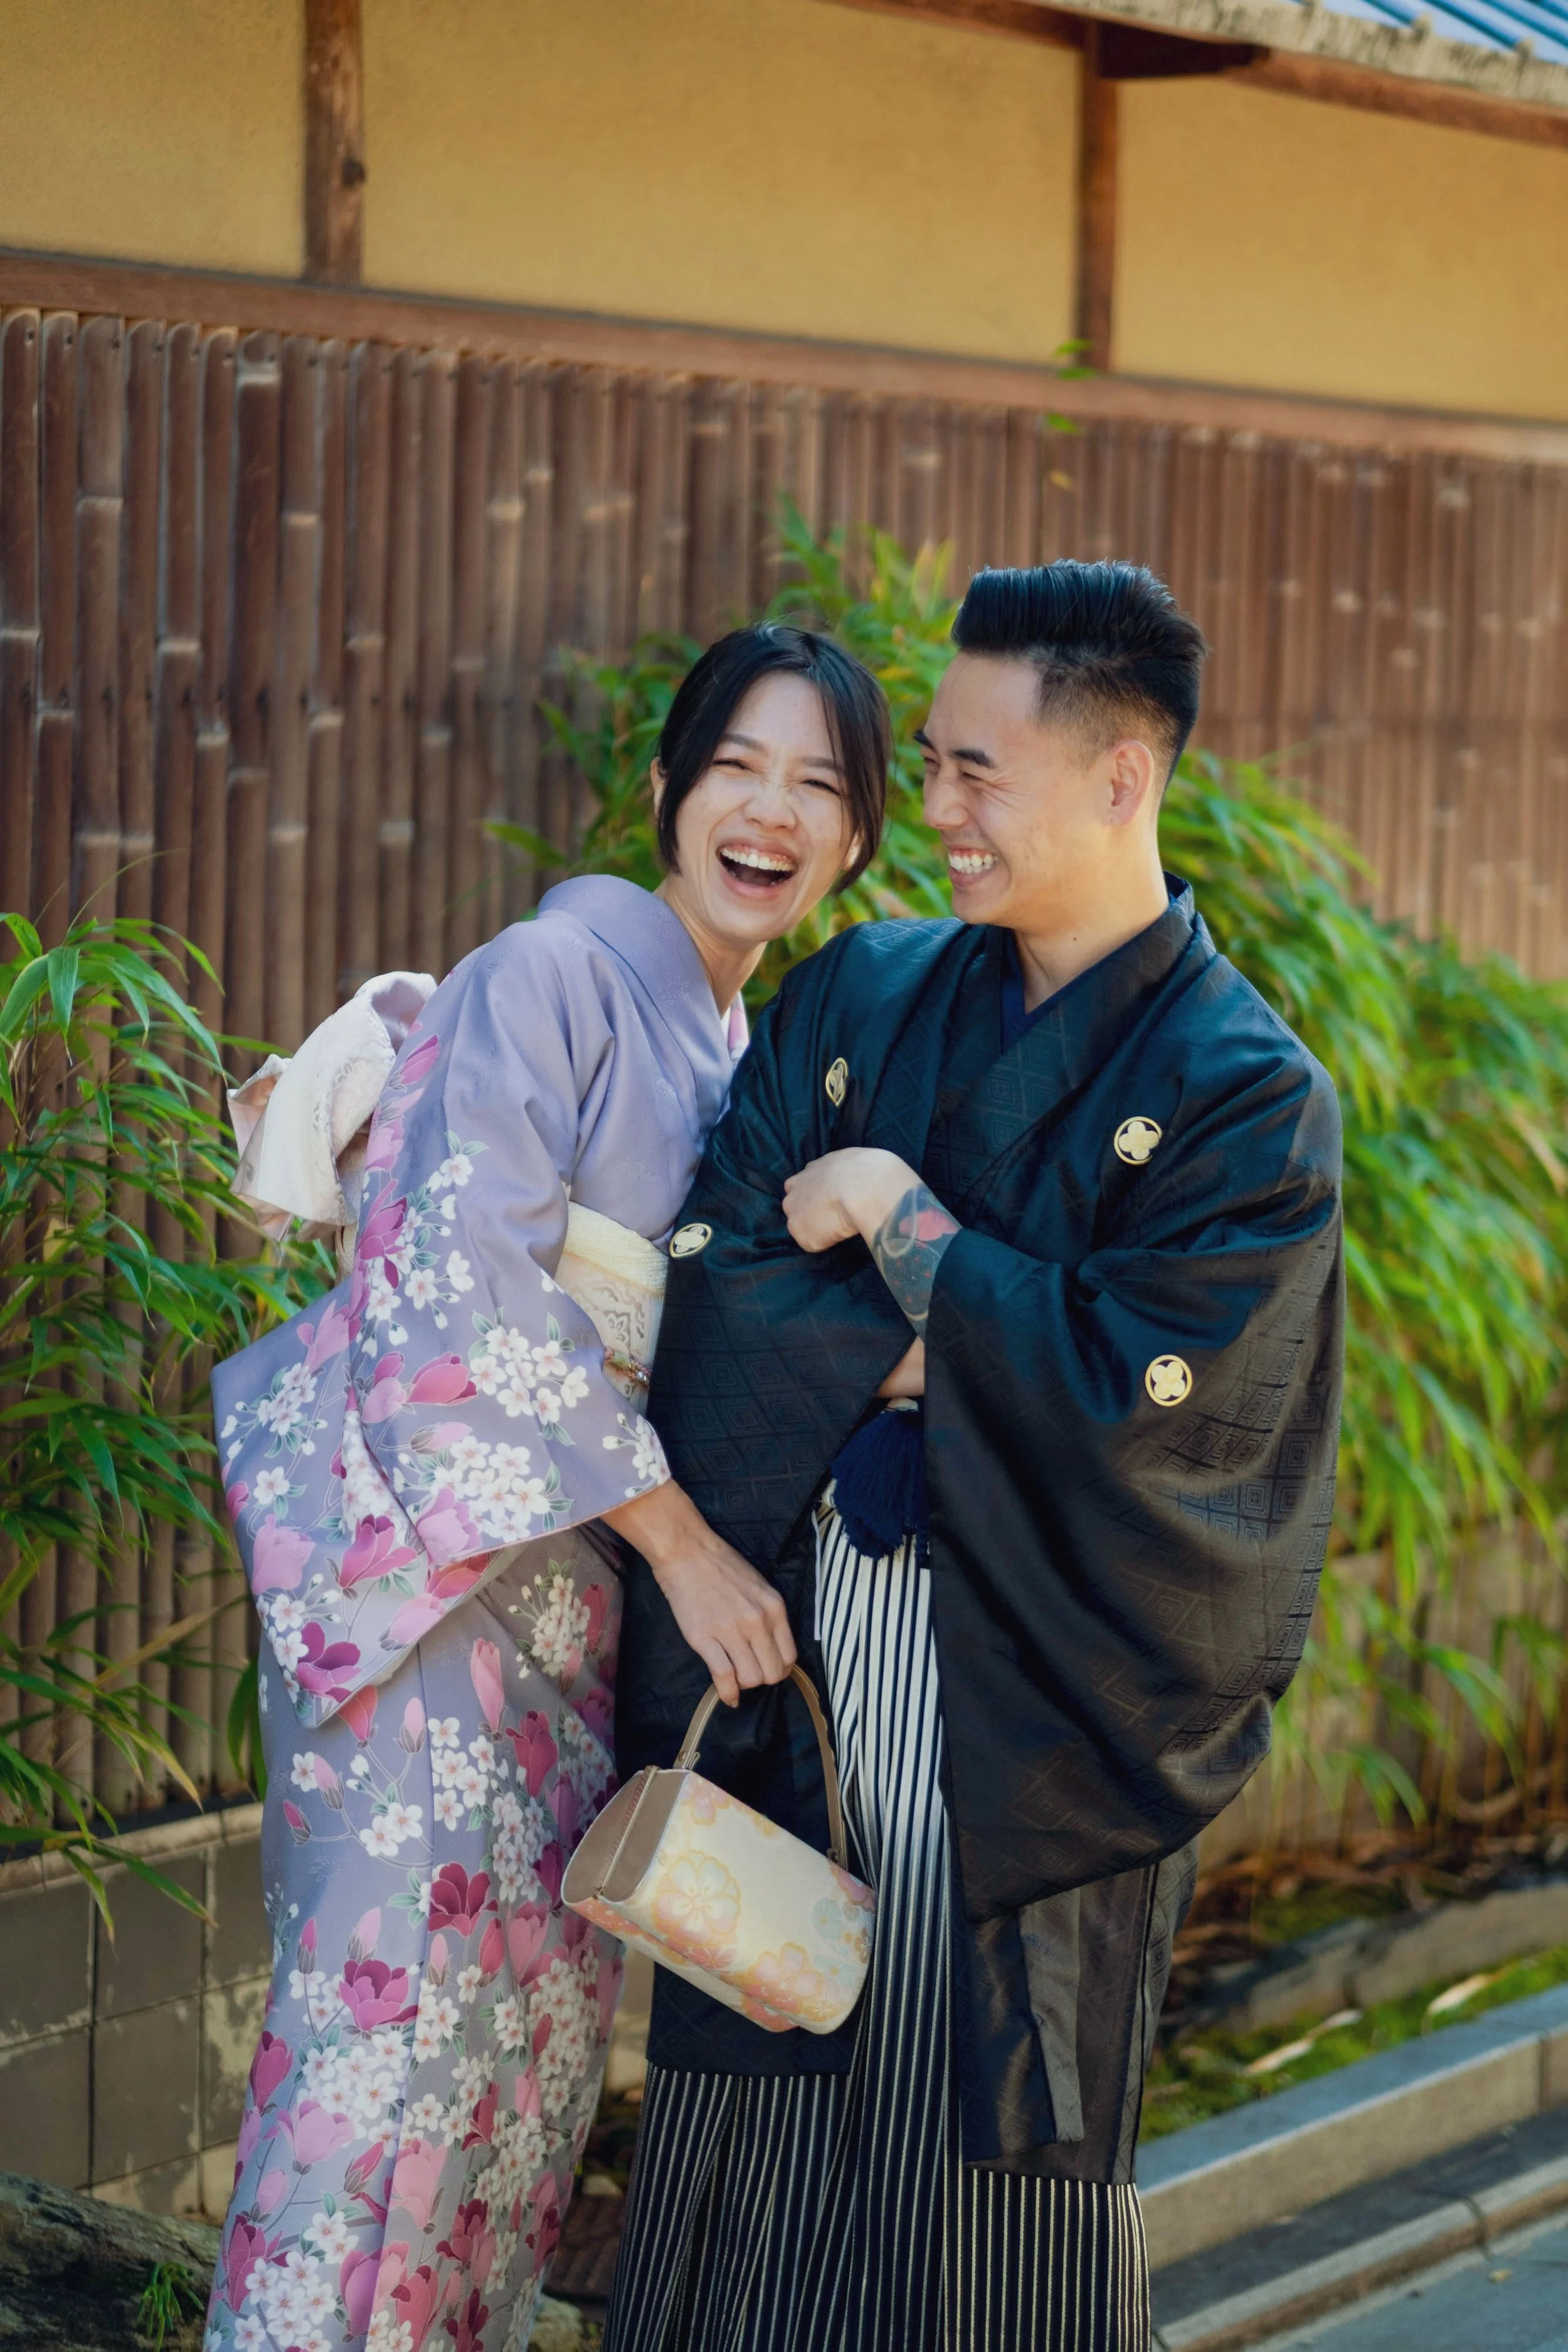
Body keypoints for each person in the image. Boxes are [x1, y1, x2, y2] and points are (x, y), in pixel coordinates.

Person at [604, 562, 1345, 2352]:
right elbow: (716, 1274)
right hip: (795, 1645)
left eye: (970, 771)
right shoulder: (865, 988)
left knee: (992, 2146)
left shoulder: (1247, 1094)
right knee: (762, 2096)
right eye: (926, 764)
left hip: (1038, 1695)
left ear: (1117, 777)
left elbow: (1171, 1399)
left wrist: (901, 1214)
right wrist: (947, 1339)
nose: (924, 811)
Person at [201, 623, 887, 2352]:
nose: (768, 809)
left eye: (818, 783)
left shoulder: (740, 1052)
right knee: (386, 2067)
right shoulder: (554, 972)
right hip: (440, 1606)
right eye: (736, 763)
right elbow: (455, 1288)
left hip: (570, 1623)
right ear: (664, 789)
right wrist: (677, 1539)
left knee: (510, 2097)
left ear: (860, 839)